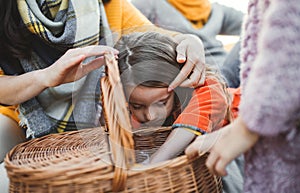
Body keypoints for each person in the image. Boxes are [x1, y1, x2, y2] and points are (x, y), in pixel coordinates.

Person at [0, 0, 207, 191]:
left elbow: (157, 37)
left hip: (97, 122)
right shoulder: (6, 12)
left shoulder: (105, 4)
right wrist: (47, 77)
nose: (150, 114)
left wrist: (190, 40)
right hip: (21, 116)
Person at [185, 0, 300, 192]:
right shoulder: (154, 5)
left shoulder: (212, 9)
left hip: (262, 101)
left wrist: (247, 125)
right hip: (220, 76)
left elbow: (290, 31)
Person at [115, 31, 244, 193]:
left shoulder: (207, 91)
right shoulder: (125, 103)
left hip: (242, 111)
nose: (150, 116)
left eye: (161, 103)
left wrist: (148, 167)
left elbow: (186, 129)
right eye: (137, 106)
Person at [131, 0, 244, 88]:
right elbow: (132, 34)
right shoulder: (150, 4)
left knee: (258, 28)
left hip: (229, 70)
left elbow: (251, 23)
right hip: (200, 75)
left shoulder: (215, 10)